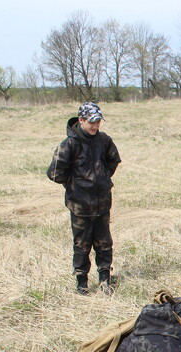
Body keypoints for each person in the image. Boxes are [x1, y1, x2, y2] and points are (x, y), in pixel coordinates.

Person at [47, 102, 121, 295]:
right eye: (91, 122)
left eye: (98, 122)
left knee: (104, 243)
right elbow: (54, 173)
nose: (95, 126)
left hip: (102, 203)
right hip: (80, 206)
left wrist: (102, 177)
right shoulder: (69, 144)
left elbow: (114, 159)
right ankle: (82, 283)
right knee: (82, 244)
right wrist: (75, 185)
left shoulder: (104, 140)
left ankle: (105, 279)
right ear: (80, 120)